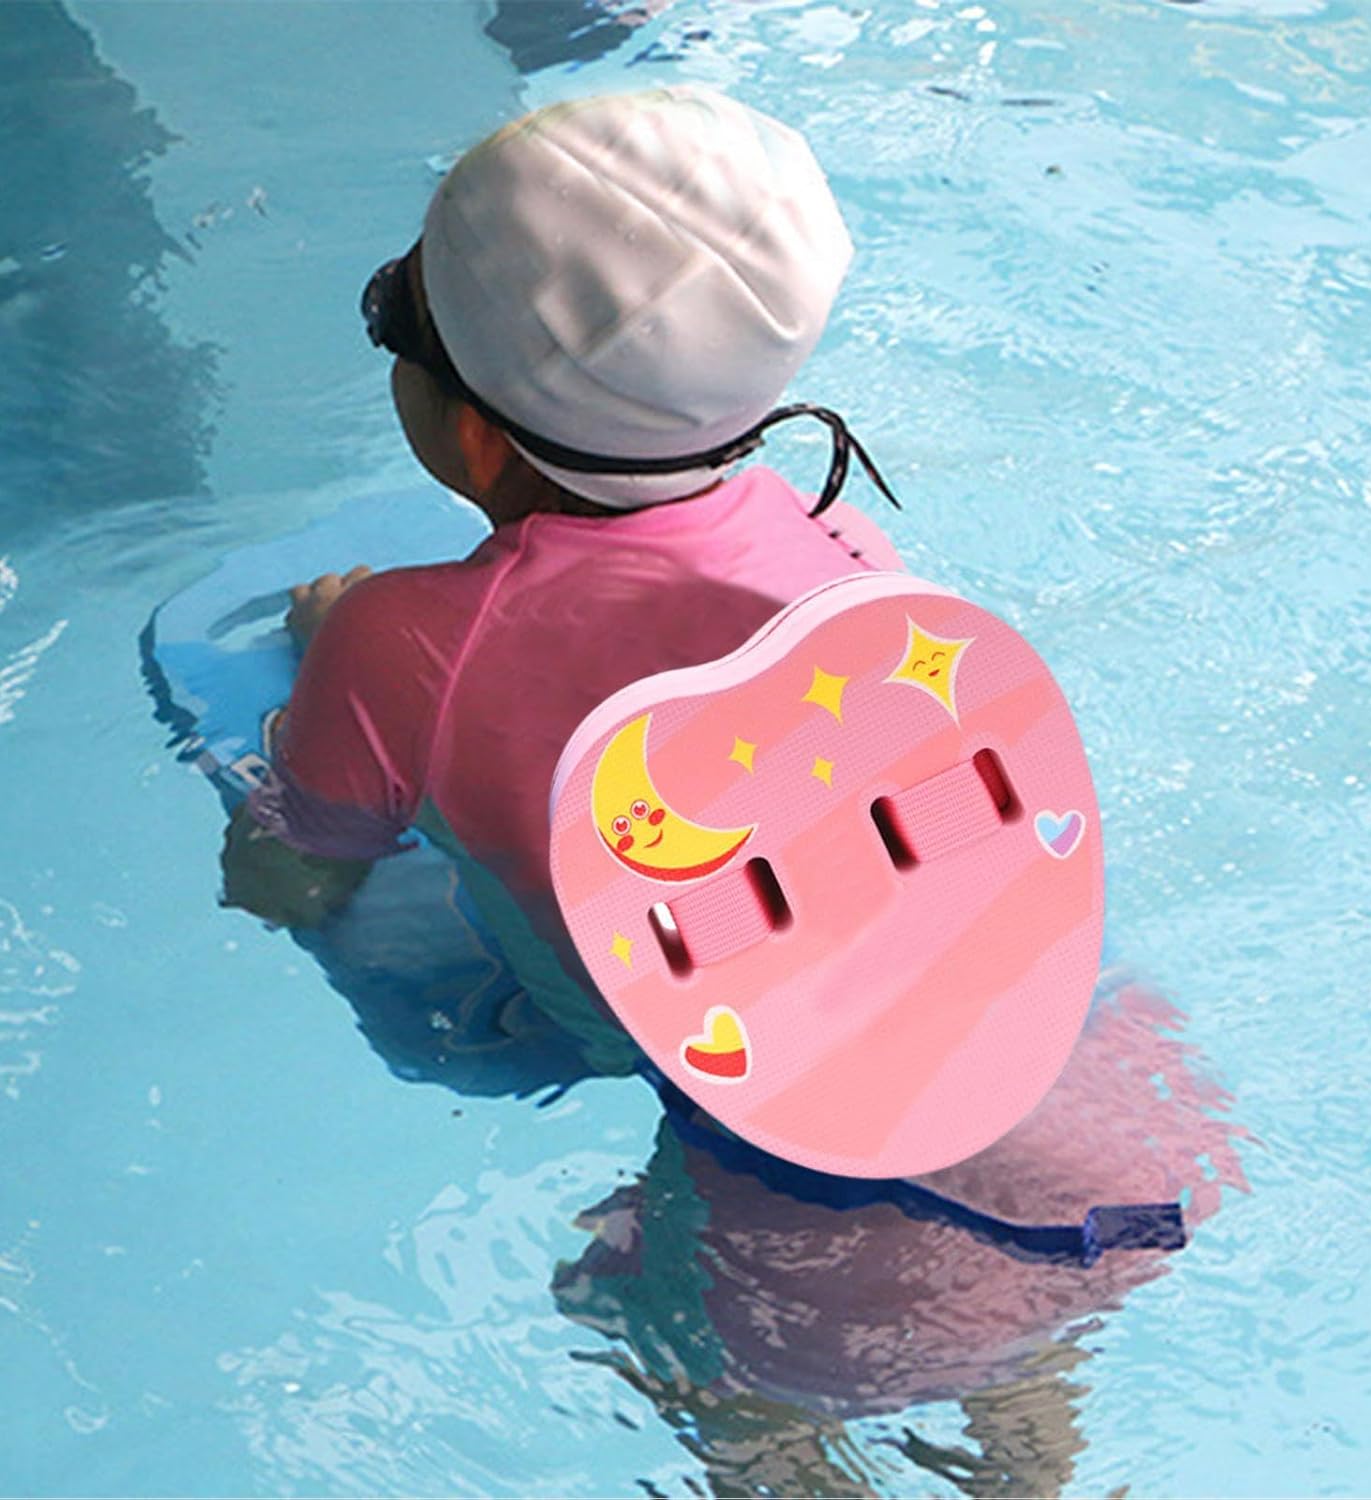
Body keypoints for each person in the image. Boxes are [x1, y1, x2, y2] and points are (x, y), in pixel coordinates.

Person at [220, 85, 904, 1072]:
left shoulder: (397, 641)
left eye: (393, 314)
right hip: (905, 1011)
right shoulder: (844, 542)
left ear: (475, 437)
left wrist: (329, 674)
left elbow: (287, 884)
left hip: (674, 1059)